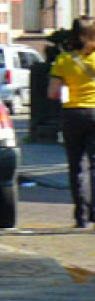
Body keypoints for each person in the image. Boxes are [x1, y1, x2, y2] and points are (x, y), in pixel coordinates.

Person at [49, 17, 95, 228]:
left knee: (77, 166)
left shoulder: (64, 60)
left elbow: (53, 92)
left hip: (73, 114)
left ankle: (82, 217)